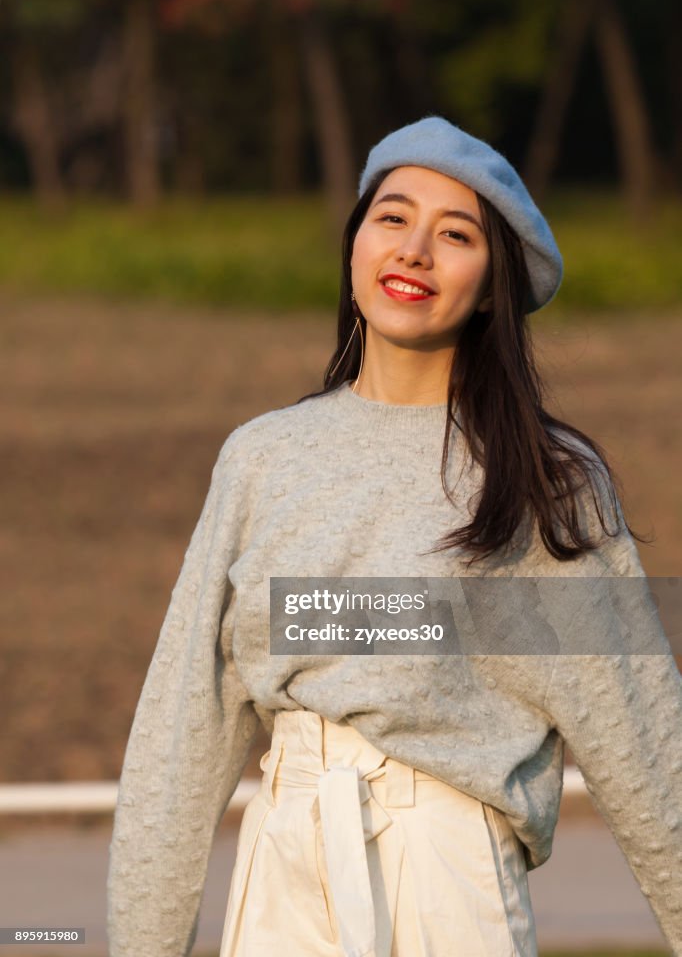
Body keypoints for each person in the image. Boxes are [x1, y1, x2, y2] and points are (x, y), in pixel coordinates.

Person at [107, 117, 682, 957]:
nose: (414, 250)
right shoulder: (263, 458)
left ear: (493, 286)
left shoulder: (546, 481)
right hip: (279, 882)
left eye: (455, 235)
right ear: (354, 247)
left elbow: (646, 750)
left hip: (450, 889)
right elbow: (180, 734)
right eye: (392, 217)